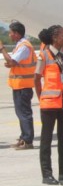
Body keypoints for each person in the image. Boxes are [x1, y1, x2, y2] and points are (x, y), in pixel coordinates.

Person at [35, 25, 63, 185]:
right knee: (46, 140)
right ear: (55, 38)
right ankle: (47, 173)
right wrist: (41, 98)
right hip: (49, 104)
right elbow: (37, 79)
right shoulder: (43, 56)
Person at [1, 21, 37, 150]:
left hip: (23, 85)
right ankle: (23, 137)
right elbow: (12, 63)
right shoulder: (20, 45)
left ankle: (28, 140)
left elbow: (11, 61)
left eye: (11, 32)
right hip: (19, 85)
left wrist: (2, 49)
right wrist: (10, 63)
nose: (9, 35)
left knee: (24, 113)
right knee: (20, 113)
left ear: (16, 34)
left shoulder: (24, 46)